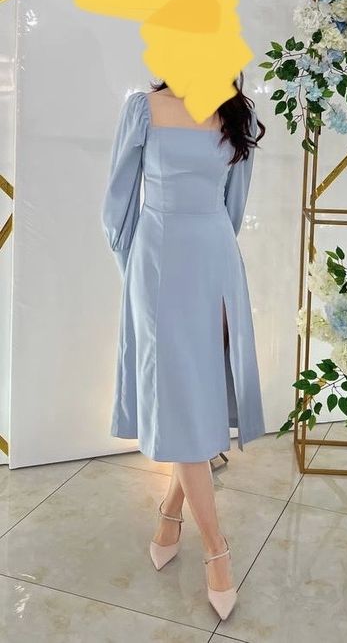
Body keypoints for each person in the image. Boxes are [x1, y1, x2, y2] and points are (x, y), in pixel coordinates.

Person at [101, 72, 266, 620]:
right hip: (156, 263)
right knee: (179, 397)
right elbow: (118, 204)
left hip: (214, 264)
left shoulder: (237, 111)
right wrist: (135, 276)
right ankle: (217, 550)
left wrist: (219, 271)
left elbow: (233, 207)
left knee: (193, 398)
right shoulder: (143, 109)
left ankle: (171, 514)